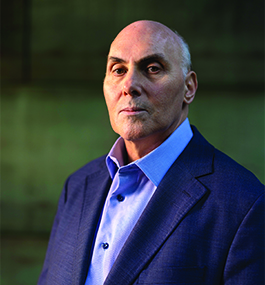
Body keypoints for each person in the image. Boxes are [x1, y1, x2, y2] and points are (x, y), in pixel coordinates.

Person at [38, 20, 264, 285]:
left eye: (153, 68)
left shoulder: (245, 204)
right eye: (118, 69)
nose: (130, 85)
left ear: (188, 88)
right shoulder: (77, 187)